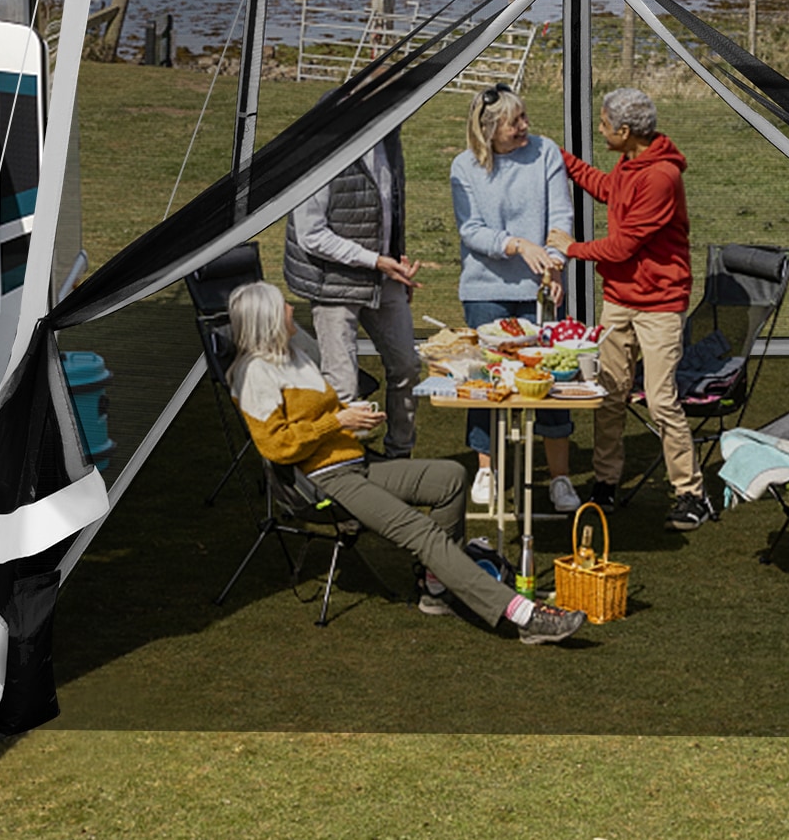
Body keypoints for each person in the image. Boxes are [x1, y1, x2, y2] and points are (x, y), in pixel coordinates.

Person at [225, 281, 587, 644]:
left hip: (353, 462)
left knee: (450, 478)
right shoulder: (255, 373)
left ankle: (435, 586)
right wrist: (337, 422)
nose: (291, 309)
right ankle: (523, 616)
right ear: (267, 320)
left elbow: (321, 416)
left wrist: (350, 414)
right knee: (421, 532)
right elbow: (276, 446)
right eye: (283, 306)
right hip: (323, 479)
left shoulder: (293, 354)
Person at [548, 87, 714, 530]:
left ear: (624, 131)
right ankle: (605, 482)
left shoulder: (661, 177)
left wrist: (573, 248)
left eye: (603, 125)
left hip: (659, 305)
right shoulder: (629, 164)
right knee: (609, 395)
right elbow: (607, 189)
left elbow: (623, 246)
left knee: (661, 401)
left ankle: (691, 492)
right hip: (619, 300)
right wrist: (559, 157)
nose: (600, 130)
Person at [450, 83, 579, 513]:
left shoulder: (545, 153)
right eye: (515, 122)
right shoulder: (464, 168)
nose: (525, 126)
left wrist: (554, 265)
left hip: (539, 290)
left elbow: (562, 216)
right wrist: (519, 245)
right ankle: (487, 469)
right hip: (485, 291)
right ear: (489, 130)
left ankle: (559, 479)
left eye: (524, 117)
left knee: (551, 382)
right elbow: (471, 231)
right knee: (487, 384)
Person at [283, 126, 422, 460]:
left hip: (383, 275)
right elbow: (311, 234)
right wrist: (375, 260)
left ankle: (399, 457)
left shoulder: (390, 137)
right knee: (344, 383)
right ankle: (344, 467)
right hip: (333, 282)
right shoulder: (318, 148)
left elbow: (388, 206)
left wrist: (395, 257)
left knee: (407, 366)